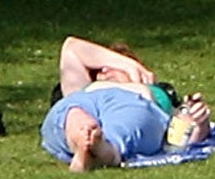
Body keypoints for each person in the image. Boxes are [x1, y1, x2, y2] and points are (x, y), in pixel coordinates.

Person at [39, 36, 171, 172]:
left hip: (128, 102)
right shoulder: (84, 89)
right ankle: (83, 143)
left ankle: (99, 148)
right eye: (98, 70)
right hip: (82, 103)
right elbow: (71, 47)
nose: (104, 71)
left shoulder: (146, 92)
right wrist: (126, 64)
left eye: (113, 67)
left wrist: (134, 70)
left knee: (121, 125)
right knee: (74, 112)